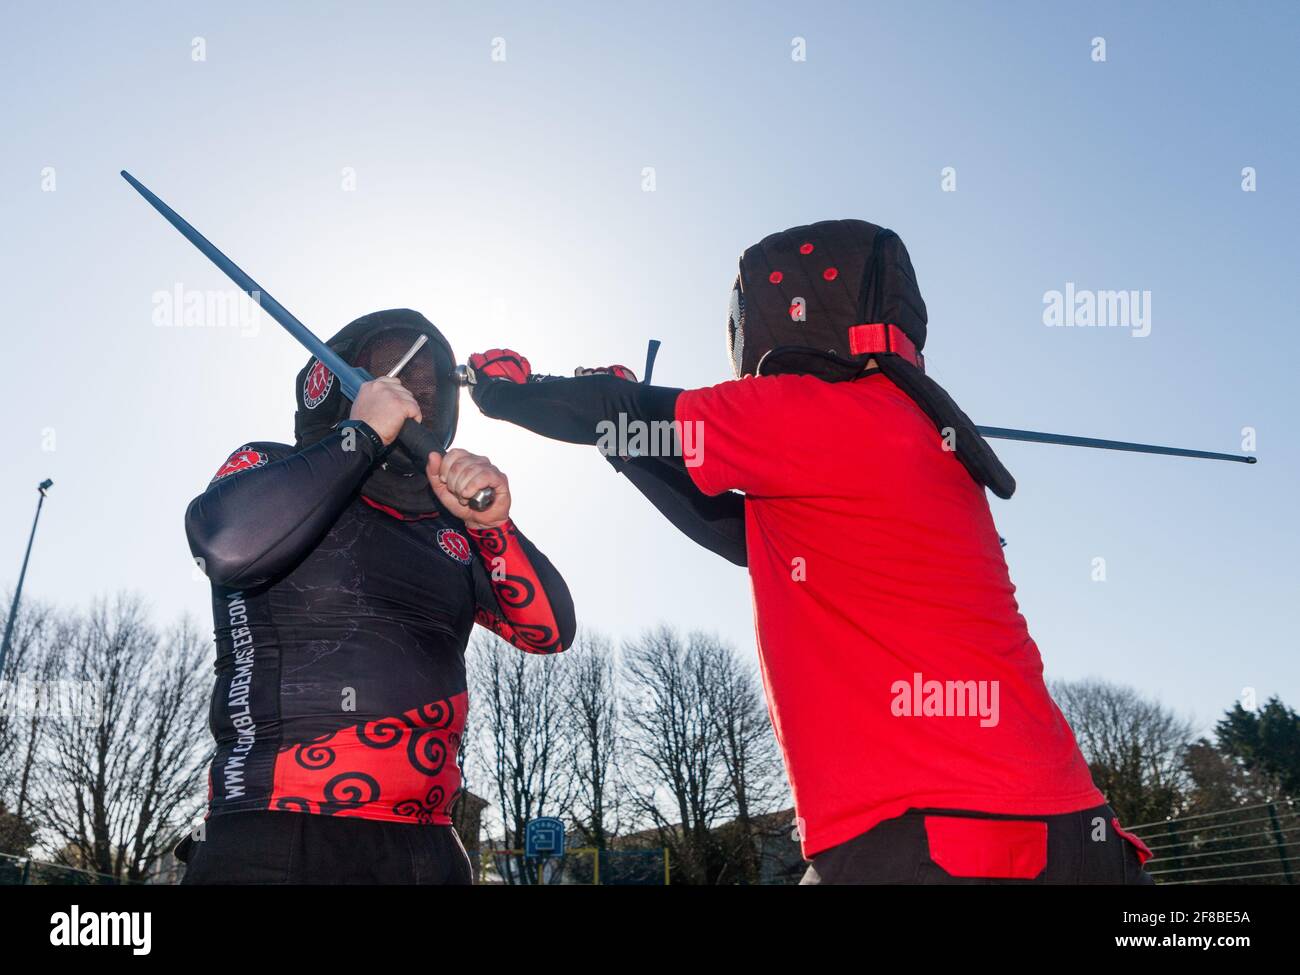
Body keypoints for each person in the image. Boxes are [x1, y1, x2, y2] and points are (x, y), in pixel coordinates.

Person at [464, 219, 1154, 884]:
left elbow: (628, 412)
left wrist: (509, 392)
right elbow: (730, 529)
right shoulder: (915, 438)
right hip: (1074, 836)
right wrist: (621, 429)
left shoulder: (808, 411)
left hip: (926, 840)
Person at [178, 308, 575, 885]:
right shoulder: (269, 466)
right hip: (276, 832)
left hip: (427, 849)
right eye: (391, 375)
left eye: (428, 384)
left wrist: (494, 526)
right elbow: (227, 546)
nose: (414, 393)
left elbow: (549, 631)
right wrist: (359, 435)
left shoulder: (454, 524)